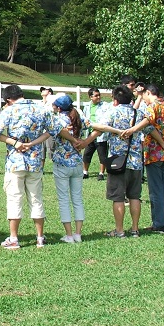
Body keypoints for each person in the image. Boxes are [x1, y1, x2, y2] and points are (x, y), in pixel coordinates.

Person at [0, 84, 53, 249]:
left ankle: (14, 238)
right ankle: (40, 237)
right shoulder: (40, 108)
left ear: (8, 99)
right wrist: (33, 142)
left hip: (15, 161)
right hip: (35, 160)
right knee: (36, 198)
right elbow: (51, 131)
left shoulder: (9, 111)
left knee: (14, 198)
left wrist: (13, 142)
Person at [122, 84, 164, 234]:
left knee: (155, 190)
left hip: (154, 153)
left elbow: (148, 124)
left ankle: (159, 224)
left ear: (149, 93)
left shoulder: (151, 107)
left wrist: (132, 130)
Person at [97, 85, 142, 238]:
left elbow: (99, 126)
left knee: (118, 197)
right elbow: (149, 129)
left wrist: (115, 132)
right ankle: (135, 229)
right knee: (135, 196)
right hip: (136, 161)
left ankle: (119, 230)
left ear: (115, 99)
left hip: (118, 161)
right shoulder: (138, 113)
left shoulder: (113, 112)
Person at [47, 94, 92, 243]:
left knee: (64, 199)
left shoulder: (57, 119)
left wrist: (73, 140)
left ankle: (69, 234)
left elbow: (58, 131)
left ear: (58, 108)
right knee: (77, 199)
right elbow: (97, 127)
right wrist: (84, 141)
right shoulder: (78, 118)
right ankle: (78, 233)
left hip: (61, 163)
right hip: (77, 162)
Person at [81, 87, 111, 181]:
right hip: (90, 133)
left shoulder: (104, 106)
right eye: (96, 95)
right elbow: (85, 117)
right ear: (90, 97)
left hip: (101, 134)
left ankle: (101, 173)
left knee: (102, 155)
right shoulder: (87, 107)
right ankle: (85, 172)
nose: (98, 97)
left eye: (99, 95)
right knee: (87, 154)